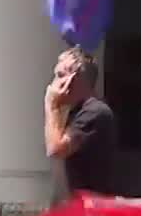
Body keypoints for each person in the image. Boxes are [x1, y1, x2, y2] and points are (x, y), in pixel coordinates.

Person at [44, 46, 117, 202]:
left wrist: (51, 105)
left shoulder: (95, 112)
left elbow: (55, 149)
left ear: (73, 78)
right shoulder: (76, 112)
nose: (53, 84)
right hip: (73, 214)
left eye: (59, 75)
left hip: (89, 215)